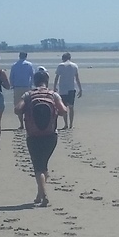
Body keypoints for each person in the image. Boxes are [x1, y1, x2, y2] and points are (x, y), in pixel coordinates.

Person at [15, 70, 68, 207]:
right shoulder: (53, 94)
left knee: (38, 167)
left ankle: (44, 195)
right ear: (47, 80)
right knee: (43, 165)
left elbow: (17, 109)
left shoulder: (28, 94)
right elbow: (63, 112)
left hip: (33, 135)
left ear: (34, 81)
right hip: (51, 135)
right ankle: (39, 194)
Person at [53, 52, 83, 129]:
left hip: (63, 89)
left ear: (63, 58)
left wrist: (54, 87)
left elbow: (57, 77)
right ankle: (71, 124)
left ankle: (66, 124)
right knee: (71, 107)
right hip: (71, 89)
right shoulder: (74, 66)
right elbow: (77, 78)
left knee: (64, 107)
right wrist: (80, 89)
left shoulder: (61, 65)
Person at [9, 51, 35, 130]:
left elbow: (11, 77)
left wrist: (12, 85)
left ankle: (21, 124)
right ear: (26, 56)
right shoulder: (29, 65)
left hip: (17, 87)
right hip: (27, 87)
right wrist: (31, 85)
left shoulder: (14, 65)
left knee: (18, 105)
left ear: (19, 56)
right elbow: (32, 76)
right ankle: (27, 123)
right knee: (28, 105)